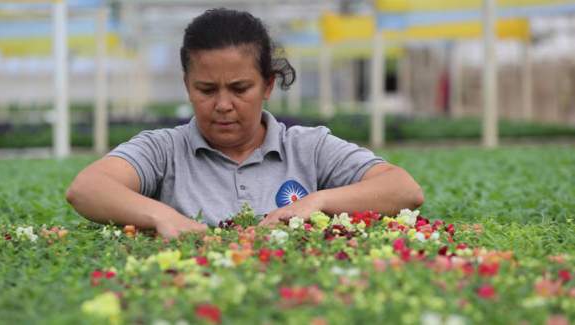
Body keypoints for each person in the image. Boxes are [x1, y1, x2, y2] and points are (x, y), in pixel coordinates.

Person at [66, 8, 423, 239]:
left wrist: (318, 201)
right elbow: (87, 188)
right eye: (206, 89)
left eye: (240, 89)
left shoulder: (307, 147)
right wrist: (161, 215)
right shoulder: (162, 149)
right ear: (187, 85)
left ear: (268, 84)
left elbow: (403, 189)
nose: (223, 105)